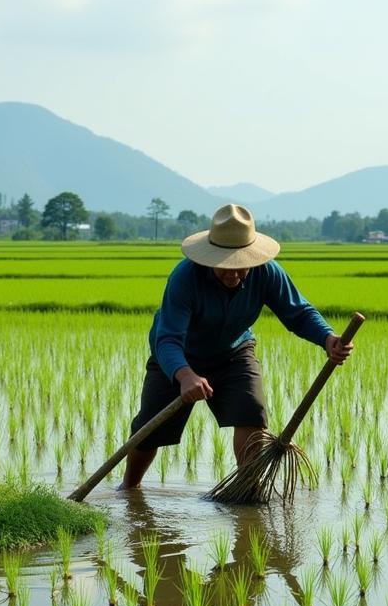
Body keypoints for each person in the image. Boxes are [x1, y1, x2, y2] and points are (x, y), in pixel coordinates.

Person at [121, 203, 353, 489]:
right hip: (180, 357)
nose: (233, 274)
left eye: (240, 266)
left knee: (252, 413)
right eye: (224, 267)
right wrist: (184, 375)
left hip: (234, 353)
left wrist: (327, 338)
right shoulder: (185, 278)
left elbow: (299, 312)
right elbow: (167, 338)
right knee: (149, 429)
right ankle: (129, 490)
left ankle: (247, 492)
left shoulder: (267, 272)